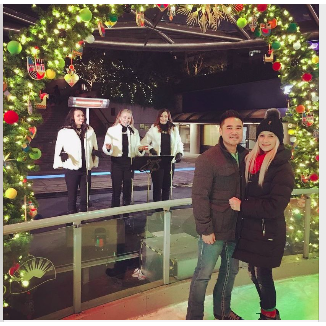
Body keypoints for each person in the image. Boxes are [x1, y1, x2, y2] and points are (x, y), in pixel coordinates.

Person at [229, 108, 294, 320]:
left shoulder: (282, 167)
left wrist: (242, 206)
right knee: (254, 273)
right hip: (251, 230)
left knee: (263, 275)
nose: (265, 140)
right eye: (262, 136)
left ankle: (269, 316)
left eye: (271, 136)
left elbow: (275, 205)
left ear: (278, 139)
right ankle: (269, 313)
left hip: (268, 232)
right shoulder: (251, 160)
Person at [186, 110, 248, 320]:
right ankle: (194, 317)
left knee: (230, 272)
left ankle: (222, 311)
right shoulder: (208, 158)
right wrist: (205, 228)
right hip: (214, 230)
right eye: (229, 128)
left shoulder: (245, 156)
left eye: (238, 127)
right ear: (220, 131)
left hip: (236, 228)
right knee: (203, 275)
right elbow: (199, 195)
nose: (234, 132)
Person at [53, 108, 100, 214]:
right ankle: (72, 216)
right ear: (72, 117)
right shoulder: (64, 131)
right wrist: (61, 157)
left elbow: (94, 146)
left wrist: (95, 156)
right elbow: (59, 147)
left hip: (86, 168)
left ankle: (83, 217)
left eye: (82, 115)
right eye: (78, 115)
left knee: (85, 196)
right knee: (72, 194)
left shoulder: (89, 130)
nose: (81, 117)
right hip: (72, 167)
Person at [102, 109, 146, 208]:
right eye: (124, 117)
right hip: (117, 163)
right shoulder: (112, 130)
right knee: (116, 189)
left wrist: (140, 148)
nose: (126, 120)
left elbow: (137, 147)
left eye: (129, 118)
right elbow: (105, 146)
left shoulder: (134, 131)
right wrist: (108, 148)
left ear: (131, 119)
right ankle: (115, 213)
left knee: (127, 189)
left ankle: (126, 213)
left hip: (129, 163)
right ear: (120, 118)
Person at [140, 109, 183, 202]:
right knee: (157, 187)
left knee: (166, 187)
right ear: (158, 117)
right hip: (157, 162)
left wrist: (179, 153)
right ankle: (157, 210)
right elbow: (143, 143)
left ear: (168, 117)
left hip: (169, 162)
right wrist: (150, 149)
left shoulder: (174, 129)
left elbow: (179, 143)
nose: (163, 118)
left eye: (165, 116)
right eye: (161, 116)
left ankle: (165, 209)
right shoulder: (154, 129)